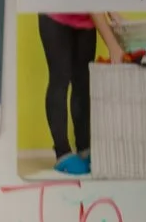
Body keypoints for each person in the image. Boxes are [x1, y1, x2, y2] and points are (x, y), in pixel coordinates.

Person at [36, 11, 124, 175]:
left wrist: (112, 10)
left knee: (83, 84)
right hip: (55, 14)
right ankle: (62, 153)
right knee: (60, 79)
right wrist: (112, 45)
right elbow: (92, 1)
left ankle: (84, 148)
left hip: (85, 20)